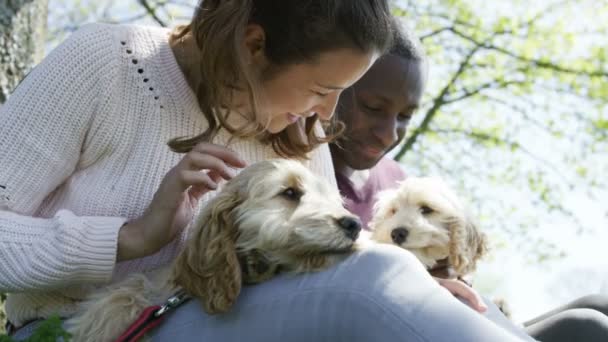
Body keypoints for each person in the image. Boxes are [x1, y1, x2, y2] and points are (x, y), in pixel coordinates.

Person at [0, 1, 531, 341]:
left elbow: (334, 251)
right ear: (254, 46)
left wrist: (422, 291)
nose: (327, 115)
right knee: (372, 282)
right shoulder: (107, 62)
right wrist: (132, 237)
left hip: (235, 315)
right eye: (322, 90)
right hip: (83, 327)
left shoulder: (296, 130)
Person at [329, 20, 608, 342]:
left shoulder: (398, 179)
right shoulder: (313, 179)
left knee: (598, 304)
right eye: (373, 107)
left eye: (405, 116)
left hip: (457, 314)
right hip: (402, 317)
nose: (390, 132)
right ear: (331, 88)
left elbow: (452, 257)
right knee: (587, 327)